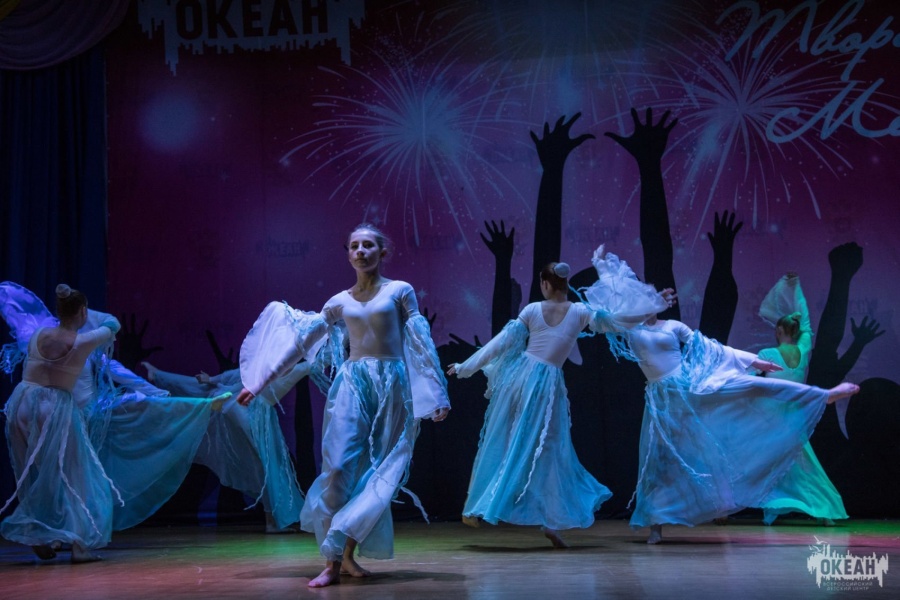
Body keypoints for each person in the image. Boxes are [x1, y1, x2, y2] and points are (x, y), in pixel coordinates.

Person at [584, 247, 859, 544]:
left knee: (754, 386)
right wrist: (605, 271)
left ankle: (824, 395)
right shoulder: (631, 329)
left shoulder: (673, 326)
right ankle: (655, 524)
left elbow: (711, 347)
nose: (650, 303)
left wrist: (754, 360)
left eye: (651, 299)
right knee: (660, 461)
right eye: (644, 299)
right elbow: (600, 320)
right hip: (663, 403)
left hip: (691, 388)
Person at [235, 223, 450, 588]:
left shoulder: (400, 290)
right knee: (338, 468)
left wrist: (437, 392)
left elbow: (420, 343)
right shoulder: (338, 302)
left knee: (379, 471)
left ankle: (344, 553)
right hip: (352, 385)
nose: (361, 251)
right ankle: (331, 563)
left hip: (392, 387)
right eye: (354, 246)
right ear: (348, 254)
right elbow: (301, 345)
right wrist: (259, 382)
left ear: (382, 252)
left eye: (368, 245)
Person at [446, 262, 618, 548]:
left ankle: (500, 508)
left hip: (522, 379)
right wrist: (645, 308)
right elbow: (614, 322)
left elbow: (500, 343)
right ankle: (524, 513)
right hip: (544, 385)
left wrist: (467, 366)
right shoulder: (580, 311)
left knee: (512, 442)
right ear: (564, 284)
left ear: (545, 284)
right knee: (545, 449)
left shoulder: (533, 309)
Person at [0, 284, 120, 563]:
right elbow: (113, 324)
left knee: (35, 471)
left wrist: (72, 304)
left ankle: (39, 533)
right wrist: (85, 309)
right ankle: (79, 546)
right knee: (78, 474)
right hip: (53, 408)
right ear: (82, 312)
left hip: (22, 403)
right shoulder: (82, 341)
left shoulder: (39, 334)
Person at [142, 361, 310, 532]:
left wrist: (211, 379)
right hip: (249, 411)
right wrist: (212, 379)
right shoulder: (275, 364)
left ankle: (271, 523)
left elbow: (236, 374)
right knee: (267, 468)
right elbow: (240, 374)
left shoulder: (274, 365)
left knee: (264, 469)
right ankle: (272, 523)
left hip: (240, 406)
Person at [756, 273, 848, 526]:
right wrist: (796, 289)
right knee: (800, 462)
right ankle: (810, 508)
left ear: (779, 331)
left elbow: (748, 378)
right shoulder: (803, 348)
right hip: (795, 415)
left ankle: (777, 507)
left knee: (778, 462)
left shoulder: (767, 353)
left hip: (775, 416)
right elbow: (806, 325)